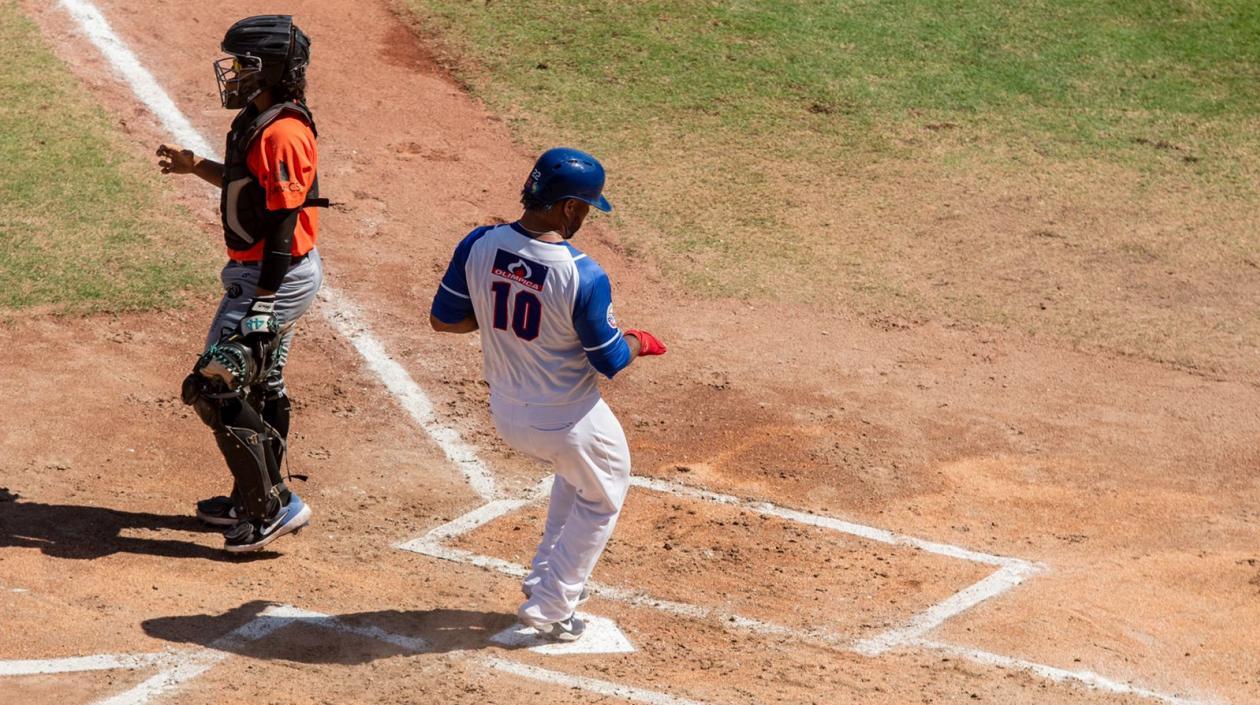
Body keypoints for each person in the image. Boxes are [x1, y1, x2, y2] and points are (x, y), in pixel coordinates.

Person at [430, 147, 667, 640]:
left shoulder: (478, 242)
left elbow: (444, 321)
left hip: (505, 411)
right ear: (569, 207)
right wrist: (640, 341)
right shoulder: (582, 273)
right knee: (603, 495)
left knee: (578, 479)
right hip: (568, 418)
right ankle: (552, 607)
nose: (585, 218)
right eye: (586, 209)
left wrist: (501, 324)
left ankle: (545, 578)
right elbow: (609, 359)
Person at [155, 15, 327, 552]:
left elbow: (282, 224)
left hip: (273, 276)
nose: (232, 72)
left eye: (244, 63)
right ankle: (248, 497)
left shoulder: (283, 133)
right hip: (265, 272)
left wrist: (263, 303)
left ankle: (271, 506)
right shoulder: (259, 119)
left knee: (214, 383)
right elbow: (245, 186)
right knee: (260, 383)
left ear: (271, 68)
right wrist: (195, 167)